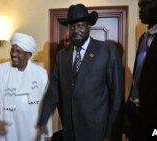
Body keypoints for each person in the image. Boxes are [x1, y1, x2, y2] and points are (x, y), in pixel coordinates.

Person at [37, 4, 124, 141]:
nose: (75, 30)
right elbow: (53, 90)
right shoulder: (62, 56)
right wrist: (43, 119)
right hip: (70, 132)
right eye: (72, 27)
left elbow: (117, 96)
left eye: (80, 25)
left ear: (89, 26)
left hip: (97, 132)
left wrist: (110, 133)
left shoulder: (106, 51)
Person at [0, 32, 52, 141]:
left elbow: (47, 104)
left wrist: (48, 132)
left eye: (18, 51)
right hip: (8, 131)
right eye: (12, 50)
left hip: (34, 132)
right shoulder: (0, 71)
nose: (13, 54)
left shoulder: (40, 74)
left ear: (29, 54)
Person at [125, 0, 157, 140]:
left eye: (146, 4)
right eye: (140, 5)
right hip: (135, 114)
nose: (140, 10)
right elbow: (139, 77)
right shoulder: (143, 38)